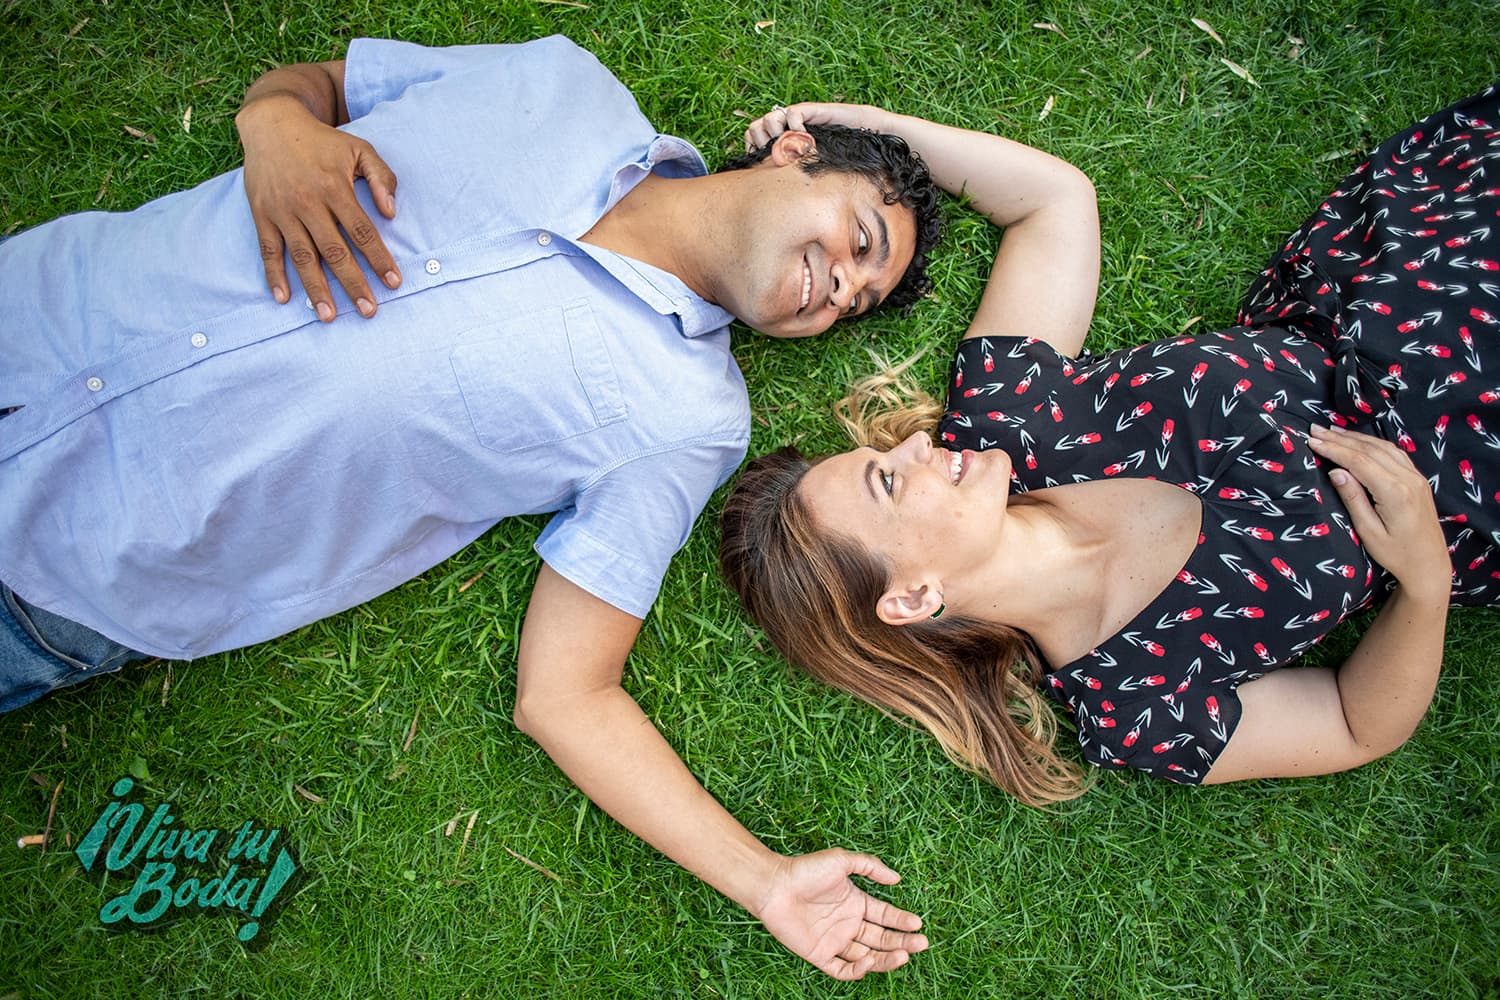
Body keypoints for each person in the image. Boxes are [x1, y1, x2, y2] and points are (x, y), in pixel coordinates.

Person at [0, 36, 943, 978]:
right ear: (794, 152)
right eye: (862, 242)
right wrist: (274, 122)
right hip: (40, 308)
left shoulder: (689, 420)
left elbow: (566, 694)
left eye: (857, 302)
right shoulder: (563, 82)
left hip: (70, 568)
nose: (842, 286)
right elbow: (322, 85)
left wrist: (765, 881)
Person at [720, 86, 1500, 805]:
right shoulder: (1136, 702)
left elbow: (1053, 202)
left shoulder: (1005, 419)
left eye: (886, 459)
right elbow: (1353, 724)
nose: (916, 447)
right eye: (890, 482)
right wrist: (1425, 582)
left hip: (1420, 297)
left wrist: (862, 132)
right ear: (915, 598)